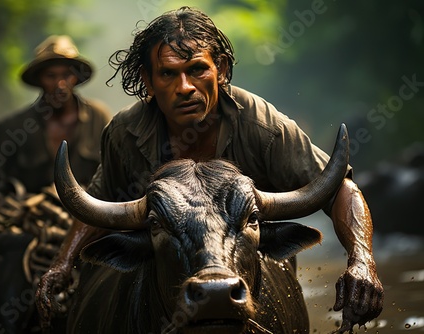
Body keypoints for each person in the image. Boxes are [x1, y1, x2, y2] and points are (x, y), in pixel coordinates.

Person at [36, 7, 384, 333]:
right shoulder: (125, 132)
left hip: (249, 270)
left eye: (197, 69)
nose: (185, 87)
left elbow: (340, 188)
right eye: (168, 74)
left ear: (221, 70)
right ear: (148, 81)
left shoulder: (262, 126)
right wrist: (63, 264)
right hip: (161, 276)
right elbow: (99, 199)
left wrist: (361, 259)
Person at [0, 35, 112, 333]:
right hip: (26, 219)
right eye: (51, 75)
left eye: (66, 74)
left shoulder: (99, 119)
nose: (59, 83)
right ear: (39, 80)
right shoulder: (14, 127)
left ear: (76, 78)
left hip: (85, 217)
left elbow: (115, 170)